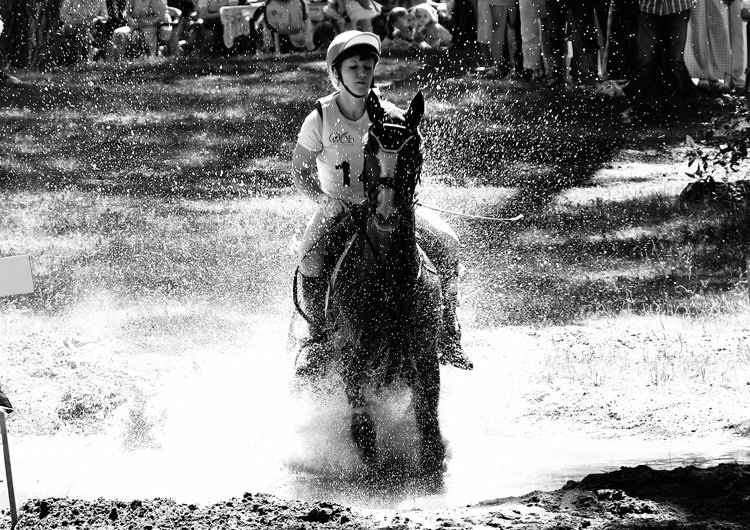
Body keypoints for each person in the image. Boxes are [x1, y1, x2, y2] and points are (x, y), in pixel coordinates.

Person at [292, 30, 472, 371]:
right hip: (340, 206)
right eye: (353, 67)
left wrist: (404, 196)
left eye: (367, 67)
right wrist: (323, 201)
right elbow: (299, 171)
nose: (362, 74)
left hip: (388, 206)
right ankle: (316, 338)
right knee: (309, 258)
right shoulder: (320, 116)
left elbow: (410, 159)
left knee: (448, 242)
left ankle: (448, 330)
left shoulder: (389, 113)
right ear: (336, 73)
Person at [625, 0, 696, 123]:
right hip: (650, 7)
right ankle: (645, 110)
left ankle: (673, 112)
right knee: (646, 61)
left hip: (677, 6)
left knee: (674, 61)